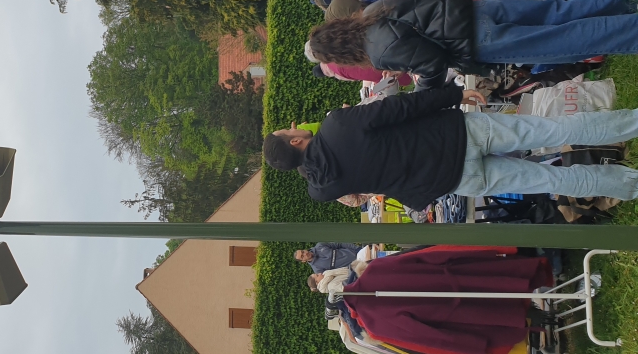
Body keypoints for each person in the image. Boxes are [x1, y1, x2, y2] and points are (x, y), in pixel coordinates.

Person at [262, 86, 638, 208]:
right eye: (288, 131)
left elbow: (321, 174)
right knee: (555, 130)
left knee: (551, 180)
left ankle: (630, 186)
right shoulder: (336, 125)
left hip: (455, 179)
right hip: (457, 135)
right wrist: (454, 94)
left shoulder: (321, 188)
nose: (294, 126)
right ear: (295, 140)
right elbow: (401, 107)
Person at [306, 0, 638, 90]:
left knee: (568, 40)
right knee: (560, 11)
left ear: (340, 57)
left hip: (477, 40)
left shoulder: (378, 52)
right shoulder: (374, 11)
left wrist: (424, 89)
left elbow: (432, 62)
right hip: (477, 10)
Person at [296, 242, 364, 274]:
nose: (305, 254)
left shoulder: (320, 245)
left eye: (303, 251)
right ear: (303, 261)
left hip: (358, 253)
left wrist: (357, 248)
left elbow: (340, 244)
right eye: (302, 256)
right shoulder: (317, 270)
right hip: (358, 266)